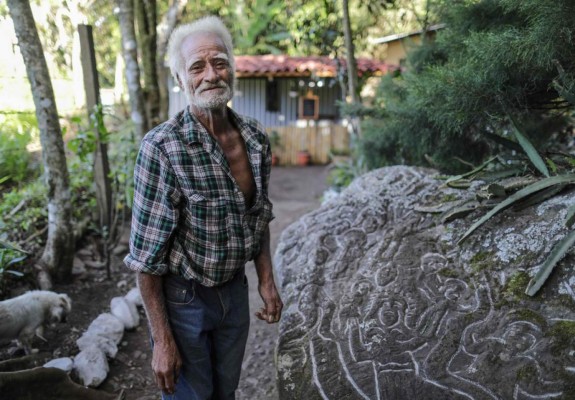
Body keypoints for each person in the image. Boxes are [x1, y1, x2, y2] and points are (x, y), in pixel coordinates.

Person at [123, 15, 283, 399]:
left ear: (232, 68)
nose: (212, 74)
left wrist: (265, 279)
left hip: (234, 294)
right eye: (197, 66)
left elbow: (258, 215)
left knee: (224, 393)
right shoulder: (162, 148)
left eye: (220, 61)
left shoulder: (255, 137)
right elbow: (145, 259)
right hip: (183, 300)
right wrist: (162, 339)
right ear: (181, 81)